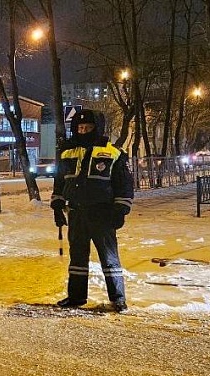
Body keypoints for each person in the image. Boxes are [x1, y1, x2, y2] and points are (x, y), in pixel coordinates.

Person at [50, 109, 134, 312]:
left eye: (88, 128)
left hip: (102, 213)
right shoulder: (67, 152)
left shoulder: (113, 152)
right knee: (77, 258)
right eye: (80, 128)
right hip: (77, 212)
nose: (84, 131)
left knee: (109, 258)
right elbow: (60, 182)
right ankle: (76, 297)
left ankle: (118, 298)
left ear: (97, 128)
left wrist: (120, 209)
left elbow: (124, 184)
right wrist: (57, 206)